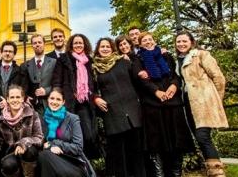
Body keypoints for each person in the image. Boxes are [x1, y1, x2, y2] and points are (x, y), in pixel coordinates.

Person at [136, 32, 193, 177]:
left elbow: (175, 75)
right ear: (140, 44)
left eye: (150, 39)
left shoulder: (166, 55)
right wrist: (156, 92)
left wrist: (173, 86)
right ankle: (159, 174)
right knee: (156, 143)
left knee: (176, 140)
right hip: (153, 105)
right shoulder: (138, 59)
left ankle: (176, 173)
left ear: (154, 41)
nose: (148, 42)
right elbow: (142, 81)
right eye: (144, 40)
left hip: (172, 102)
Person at [175, 32, 228, 177]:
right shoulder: (178, 60)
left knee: (203, 136)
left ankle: (218, 172)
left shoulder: (201, 55)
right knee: (200, 138)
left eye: (184, 41)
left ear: (191, 42)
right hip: (189, 104)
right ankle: (211, 170)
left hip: (204, 102)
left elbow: (218, 77)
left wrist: (216, 100)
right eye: (178, 41)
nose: (181, 44)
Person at [92, 37, 146, 177]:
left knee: (137, 151)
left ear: (112, 49)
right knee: (119, 153)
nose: (105, 49)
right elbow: (90, 89)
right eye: (102, 46)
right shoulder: (94, 68)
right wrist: (95, 98)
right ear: (98, 49)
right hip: (112, 113)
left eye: (108, 46)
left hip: (132, 110)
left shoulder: (123, 61)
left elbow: (138, 78)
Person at [51, 33, 99, 160]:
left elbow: (94, 83)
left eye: (80, 43)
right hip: (68, 104)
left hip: (85, 104)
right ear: (71, 45)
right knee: (68, 136)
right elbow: (57, 81)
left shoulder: (89, 60)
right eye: (76, 43)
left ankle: (87, 163)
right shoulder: (63, 59)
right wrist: (58, 99)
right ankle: (74, 164)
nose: (78, 45)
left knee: (88, 135)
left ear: (85, 45)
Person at [38, 88, 95, 177]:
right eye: (52, 98)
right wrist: (50, 147)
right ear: (48, 99)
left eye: (58, 99)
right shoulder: (43, 119)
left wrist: (56, 144)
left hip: (72, 162)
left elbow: (78, 148)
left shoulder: (72, 119)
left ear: (63, 102)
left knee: (45, 155)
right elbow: (41, 143)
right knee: (43, 156)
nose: (54, 102)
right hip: (51, 160)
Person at [0, 85, 43, 177]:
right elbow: (0, 143)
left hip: (30, 152)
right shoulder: (1, 120)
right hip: (12, 153)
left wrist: (23, 143)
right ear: (8, 99)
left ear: (22, 99)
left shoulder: (32, 114)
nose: (15, 100)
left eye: (18, 97)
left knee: (29, 151)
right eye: (12, 97)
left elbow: (39, 138)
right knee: (8, 165)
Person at [24, 34, 57, 114]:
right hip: (33, 107)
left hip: (50, 104)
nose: (37, 45)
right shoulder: (26, 65)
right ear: (32, 45)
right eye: (35, 43)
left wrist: (46, 90)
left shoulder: (54, 62)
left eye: (39, 42)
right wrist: (25, 97)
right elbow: (24, 85)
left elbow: (58, 83)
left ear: (44, 44)